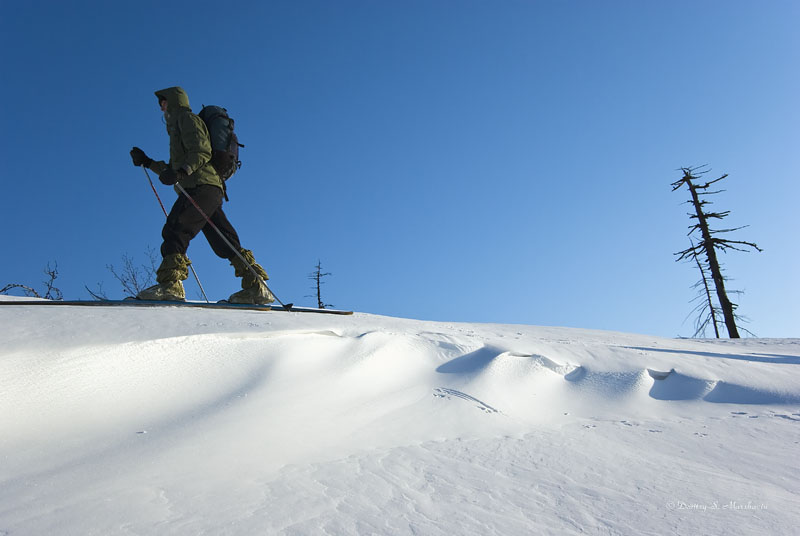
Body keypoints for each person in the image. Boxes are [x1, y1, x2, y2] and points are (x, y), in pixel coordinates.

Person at [129, 86, 273, 304]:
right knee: (224, 241)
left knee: (176, 229)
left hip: (201, 186)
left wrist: (182, 171)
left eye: (163, 102)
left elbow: (202, 152)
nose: (161, 107)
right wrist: (148, 162)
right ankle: (257, 287)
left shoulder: (186, 119)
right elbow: (175, 167)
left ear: (174, 101)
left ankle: (171, 285)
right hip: (209, 188)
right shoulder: (177, 127)